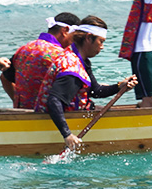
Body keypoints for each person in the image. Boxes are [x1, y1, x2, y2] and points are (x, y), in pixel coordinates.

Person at [35, 16, 138, 151]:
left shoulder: (80, 58)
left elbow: (95, 91)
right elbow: (54, 101)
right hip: (62, 121)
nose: (102, 47)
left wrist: (120, 86)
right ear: (89, 38)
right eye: (101, 42)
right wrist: (67, 135)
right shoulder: (72, 68)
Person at [0, 13, 80, 109]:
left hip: (22, 113)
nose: (75, 41)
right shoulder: (61, 55)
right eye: (75, 36)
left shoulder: (24, 49)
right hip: (49, 115)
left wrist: (17, 103)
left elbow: (4, 79)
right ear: (65, 31)